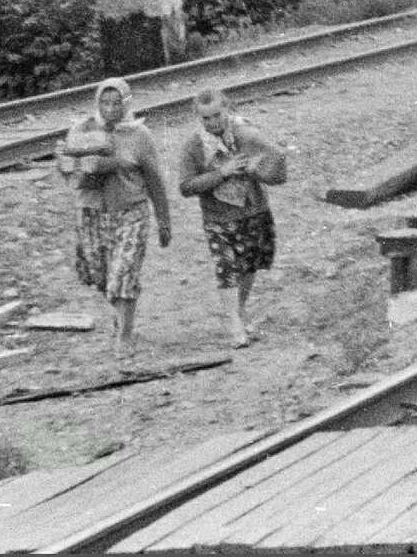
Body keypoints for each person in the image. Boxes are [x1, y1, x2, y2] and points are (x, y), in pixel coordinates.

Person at [57, 78, 170, 358]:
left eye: (116, 102)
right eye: (104, 102)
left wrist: (164, 220)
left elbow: (155, 179)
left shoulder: (139, 135)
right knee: (101, 276)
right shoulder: (82, 129)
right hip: (93, 213)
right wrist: (78, 166)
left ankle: (125, 335)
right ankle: (121, 317)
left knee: (124, 273)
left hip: (131, 212)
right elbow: (67, 169)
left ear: (127, 103)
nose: (110, 108)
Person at [174, 86, 286, 348]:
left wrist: (257, 169)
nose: (212, 122)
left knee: (249, 267)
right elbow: (185, 187)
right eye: (206, 118)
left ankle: (238, 311)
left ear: (227, 109)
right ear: (198, 118)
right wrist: (220, 173)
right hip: (217, 218)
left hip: (253, 210)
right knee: (226, 268)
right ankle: (235, 323)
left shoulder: (245, 134)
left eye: (217, 115)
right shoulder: (194, 146)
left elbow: (278, 165)